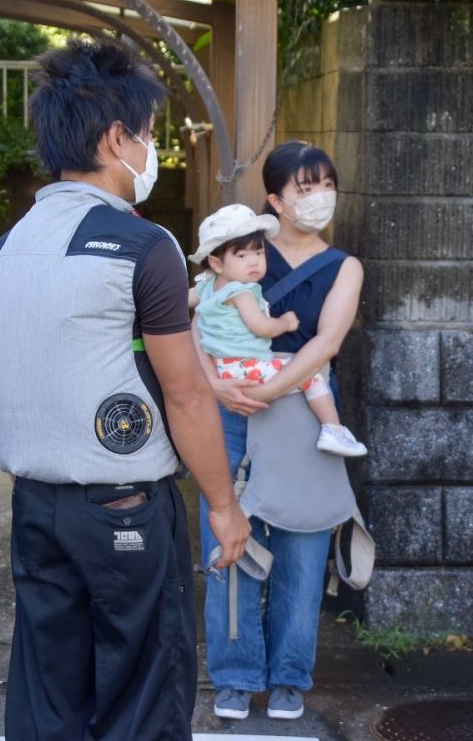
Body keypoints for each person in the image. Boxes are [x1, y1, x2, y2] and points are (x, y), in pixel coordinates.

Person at [0, 38, 250, 741]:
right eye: (150, 135)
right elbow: (186, 393)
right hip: (124, 502)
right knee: (143, 694)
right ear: (116, 137)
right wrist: (223, 506)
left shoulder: (3, 250)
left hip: (35, 504)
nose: (152, 151)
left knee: (46, 693)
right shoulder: (141, 245)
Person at [196, 141, 364, 722]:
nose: (319, 198)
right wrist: (213, 382)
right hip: (230, 405)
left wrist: (266, 391)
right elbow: (191, 318)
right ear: (275, 200)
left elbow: (327, 342)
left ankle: (290, 674)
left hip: (300, 411)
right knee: (229, 540)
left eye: (326, 185)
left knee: (302, 543)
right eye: (304, 188)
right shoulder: (238, 250)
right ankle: (235, 675)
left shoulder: (344, 266)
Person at [188, 203, 367, 458]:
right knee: (311, 376)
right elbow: (261, 328)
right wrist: (285, 323)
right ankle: (333, 429)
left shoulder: (207, 288)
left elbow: (177, 301)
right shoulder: (241, 292)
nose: (254, 262)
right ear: (217, 263)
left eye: (258, 252)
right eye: (242, 256)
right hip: (249, 368)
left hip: (223, 369)